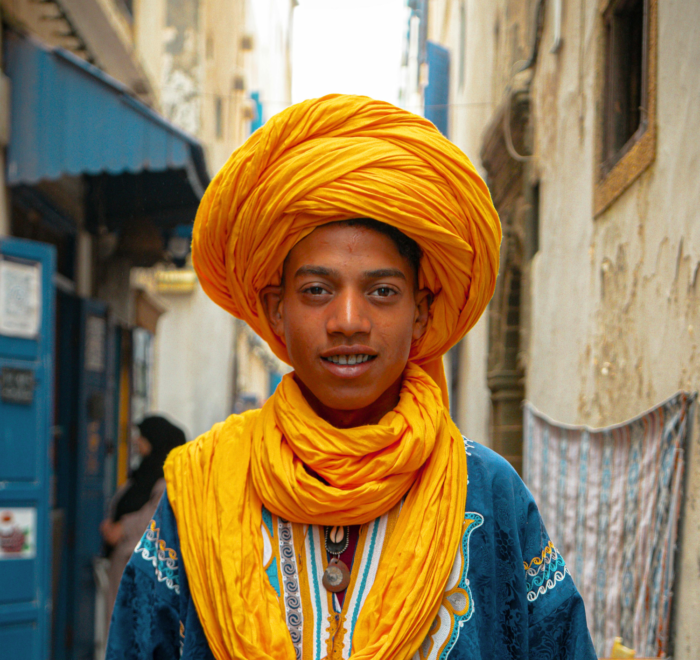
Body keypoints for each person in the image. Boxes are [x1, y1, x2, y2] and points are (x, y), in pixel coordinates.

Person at [106, 95, 596, 660]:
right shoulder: (204, 489)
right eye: (316, 290)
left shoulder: (486, 492)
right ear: (275, 311)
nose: (347, 322)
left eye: (382, 291)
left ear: (422, 312)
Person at [101, 415, 186, 626]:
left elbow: (153, 519)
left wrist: (120, 528)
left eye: (143, 437)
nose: (137, 441)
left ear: (157, 440)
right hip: (125, 566)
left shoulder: (169, 480)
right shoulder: (143, 475)